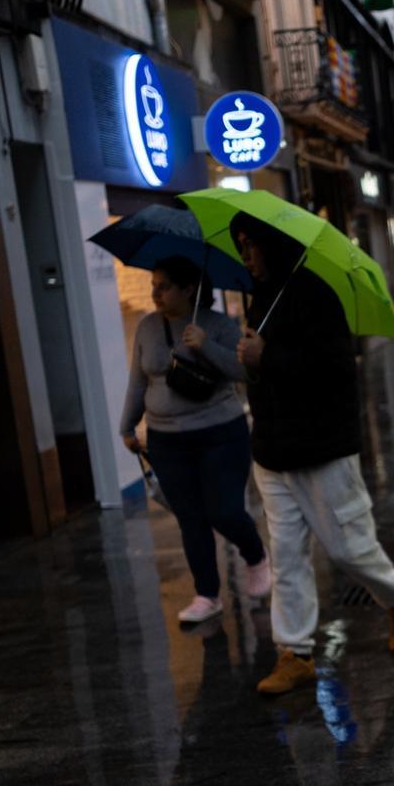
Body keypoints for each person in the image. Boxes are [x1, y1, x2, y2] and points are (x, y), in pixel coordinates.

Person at [230, 212, 394, 696]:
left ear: (272, 245)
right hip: (273, 450)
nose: (245, 256)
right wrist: (248, 360)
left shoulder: (317, 295)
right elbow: (265, 370)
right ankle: (293, 651)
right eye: (240, 246)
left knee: (348, 549)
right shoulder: (261, 299)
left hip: (322, 447)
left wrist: (266, 357)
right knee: (287, 556)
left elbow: (334, 369)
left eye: (251, 245)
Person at [120, 256, 270, 624]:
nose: (155, 293)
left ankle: (256, 556)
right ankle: (207, 595)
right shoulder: (147, 328)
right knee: (190, 517)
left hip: (220, 433)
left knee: (225, 511)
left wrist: (206, 346)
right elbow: (139, 381)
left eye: (164, 286)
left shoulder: (218, 325)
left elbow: (244, 373)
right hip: (166, 440)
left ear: (189, 289)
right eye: (153, 285)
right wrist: (127, 426)